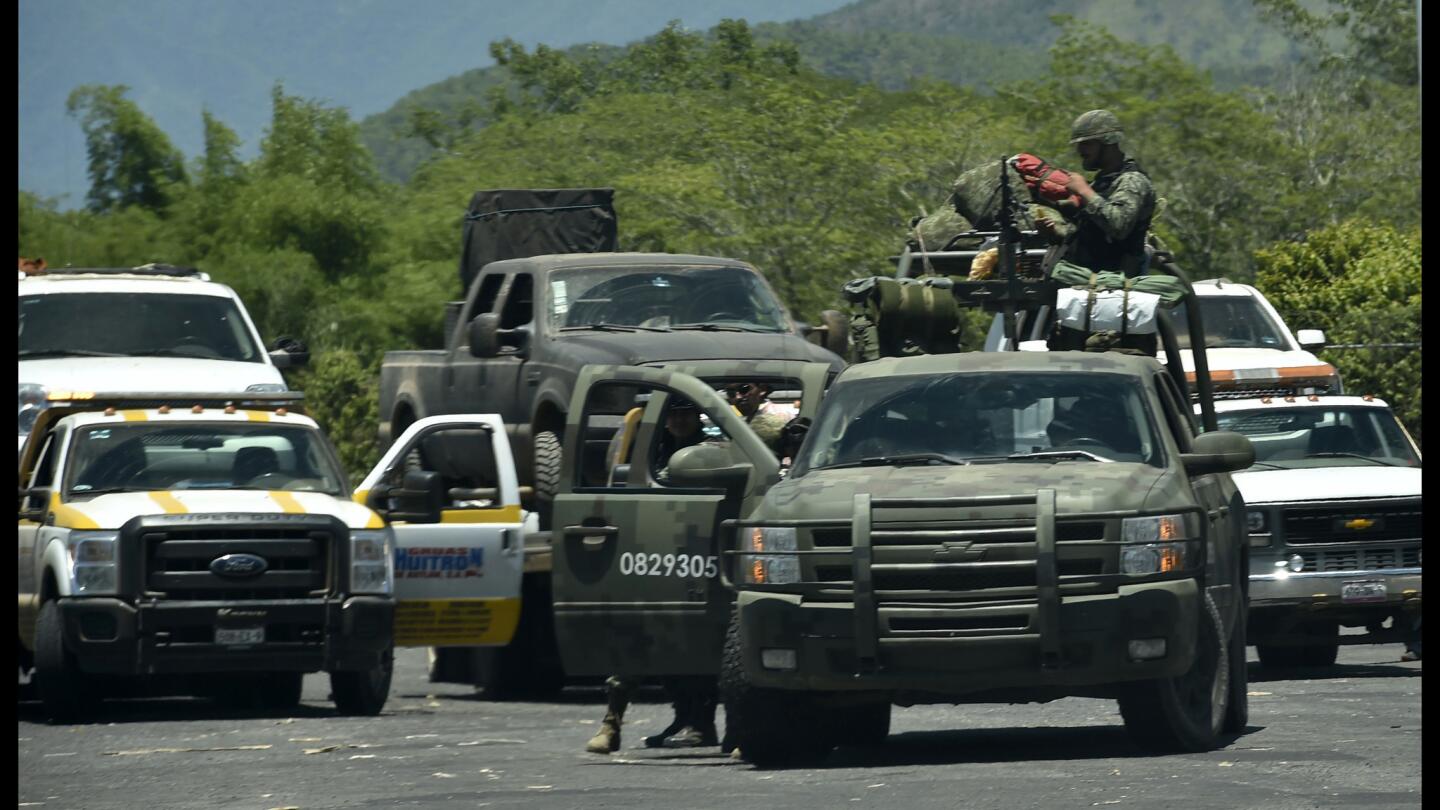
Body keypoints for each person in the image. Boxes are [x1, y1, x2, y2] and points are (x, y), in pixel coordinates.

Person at [586, 397, 721, 754]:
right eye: (672, 413)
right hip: (655, 549)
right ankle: (618, 721)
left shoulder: (711, 450)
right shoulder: (651, 447)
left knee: (696, 641)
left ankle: (700, 722)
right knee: (643, 634)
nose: (678, 419)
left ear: (697, 416)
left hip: (697, 551)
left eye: (685, 413)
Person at [1036, 109, 1157, 278]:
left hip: (1111, 288)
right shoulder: (1102, 182)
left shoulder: (1132, 181)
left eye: (1087, 143)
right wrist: (1054, 233)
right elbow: (1089, 233)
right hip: (1087, 282)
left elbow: (1118, 225)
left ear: (1108, 142)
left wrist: (1083, 190)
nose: (1080, 150)